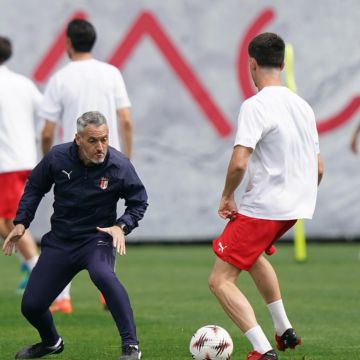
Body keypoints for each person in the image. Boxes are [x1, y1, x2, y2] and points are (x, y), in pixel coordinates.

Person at [208, 33, 324, 360]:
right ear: (284, 65)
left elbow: (239, 161)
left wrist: (227, 196)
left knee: (220, 280)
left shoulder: (255, 105)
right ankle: (284, 328)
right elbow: (318, 168)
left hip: (266, 206)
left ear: (252, 64)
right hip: (296, 205)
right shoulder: (303, 106)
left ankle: (262, 350)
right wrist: (296, 196)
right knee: (253, 255)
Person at [3, 111, 148, 360]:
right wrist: (21, 222)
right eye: (93, 141)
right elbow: (35, 187)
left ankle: (131, 346)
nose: (100, 147)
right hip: (60, 241)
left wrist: (121, 226)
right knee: (31, 307)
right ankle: (51, 342)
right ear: (78, 139)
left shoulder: (119, 165)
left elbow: (139, 202)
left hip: (97, 238)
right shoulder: (57, 158)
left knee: (102, 274)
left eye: (104, 139)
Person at [39, 18, 133, 312]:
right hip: (108, 162)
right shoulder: (111, 73)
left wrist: (50, 164)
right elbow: (126, 120)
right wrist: (126, 160)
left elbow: (46, 131)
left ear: (67, 43)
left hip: (72, 164)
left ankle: (62, 297)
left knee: (64, 226)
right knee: (107, 220)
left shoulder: (60, 78)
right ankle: (107, 288)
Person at [0, 36, 41, 290]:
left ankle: (39, 271)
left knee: (9, 222)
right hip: (24, 158)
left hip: (7, 162)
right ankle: (32, 267)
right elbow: (45, 114)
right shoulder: (23, 83)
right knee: (6, 221)